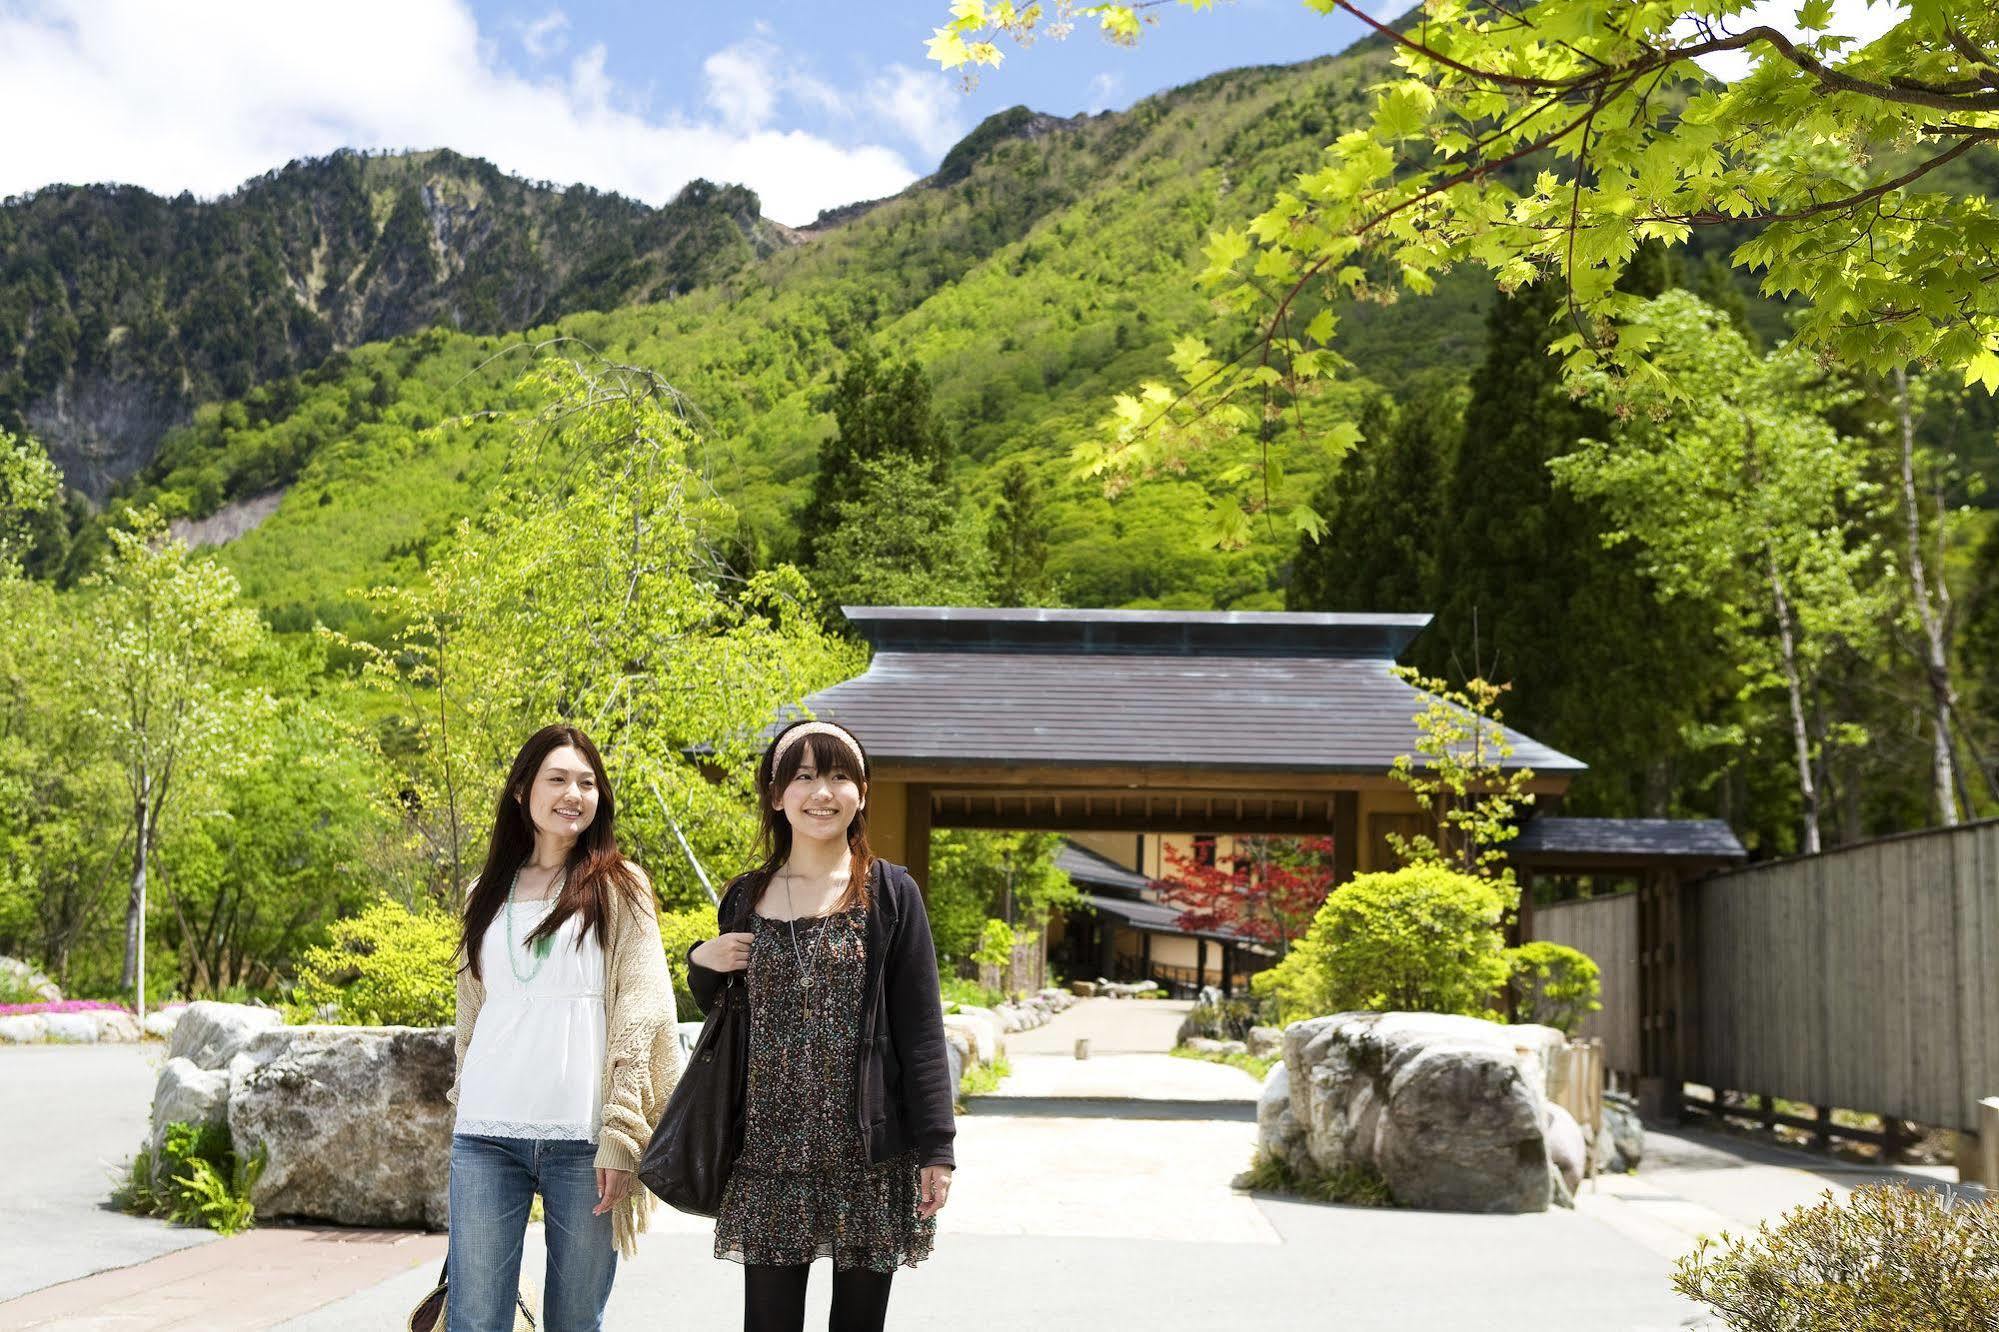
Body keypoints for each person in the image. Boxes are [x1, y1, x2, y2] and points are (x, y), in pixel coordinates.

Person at [687, 719, 955, 1332]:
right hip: (769, 1151)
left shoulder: (890, 893)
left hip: (869, 1153)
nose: (821, 792)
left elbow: (921, 1028)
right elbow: (726, 1017)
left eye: (838, 775)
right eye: (803, 776)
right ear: (776, 795)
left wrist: (937, 1148)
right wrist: (701, 964)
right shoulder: (743, 897)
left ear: (861, 792)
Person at [447, 724, 680, 1332]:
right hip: (485, 1135)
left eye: (587, 782)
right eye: (558, 779)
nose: (573, 793)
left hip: (586, 1141)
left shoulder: (620, 887)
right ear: (523, 789)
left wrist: (622, 1130)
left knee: (576, 1321)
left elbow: (644, 1006)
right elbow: (472, 1016)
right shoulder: (485, 892)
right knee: (475, 1320)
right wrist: (461, 1097)